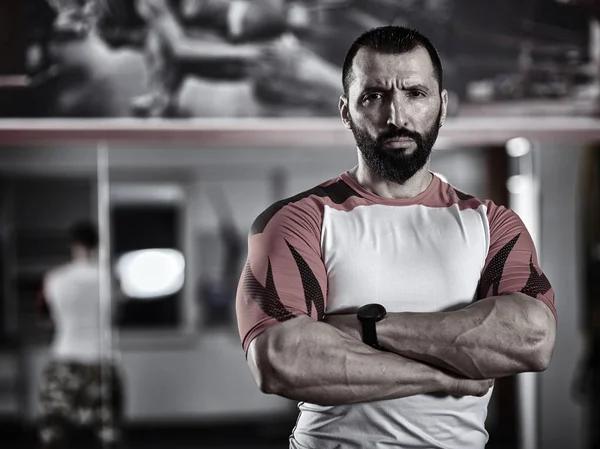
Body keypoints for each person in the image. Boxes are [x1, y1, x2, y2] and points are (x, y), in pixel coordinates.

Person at [235, 26, 557, 449]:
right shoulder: (298, 220)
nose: (396, 117)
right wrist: (444, 376)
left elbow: (531, 338)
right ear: (346, 110)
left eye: (415, 94)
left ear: (441, 107)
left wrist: (363, 329)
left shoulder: (492, 224)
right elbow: (281, 360)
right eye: (373, 96)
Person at [37, 221, 124, 449]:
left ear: (72, 244)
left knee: (53, 434)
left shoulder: (54, 279)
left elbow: (46, 319)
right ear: (96, 244)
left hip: (65, 359)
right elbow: (116, 313)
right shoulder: (109, 279)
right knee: (109, 435)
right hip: (101, 361)